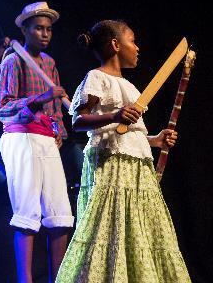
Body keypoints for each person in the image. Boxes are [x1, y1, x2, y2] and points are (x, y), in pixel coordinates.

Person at [56, 20, 191, 282]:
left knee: (137, 226)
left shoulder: (129, 87)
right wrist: (114, 114)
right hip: (112, 165)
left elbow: (130, 133)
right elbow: (78, 120)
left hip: (137, 167)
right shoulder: (97, 78)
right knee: (112, 225)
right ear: (115, 45)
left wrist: (155, 140)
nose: (138, 48)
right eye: (133, 40)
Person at [0, 1, 74, 283]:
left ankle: (58, 278)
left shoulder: (49, 64)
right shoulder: (13, 60)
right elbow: (0, 106)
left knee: (59, 214)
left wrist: (60, 132)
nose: (45, 34)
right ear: (25, 29)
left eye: (48, 29)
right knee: (27, 213)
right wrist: (38, 100)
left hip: (46, 140)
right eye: (38, 28)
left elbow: (57, 108)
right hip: (21, 137)